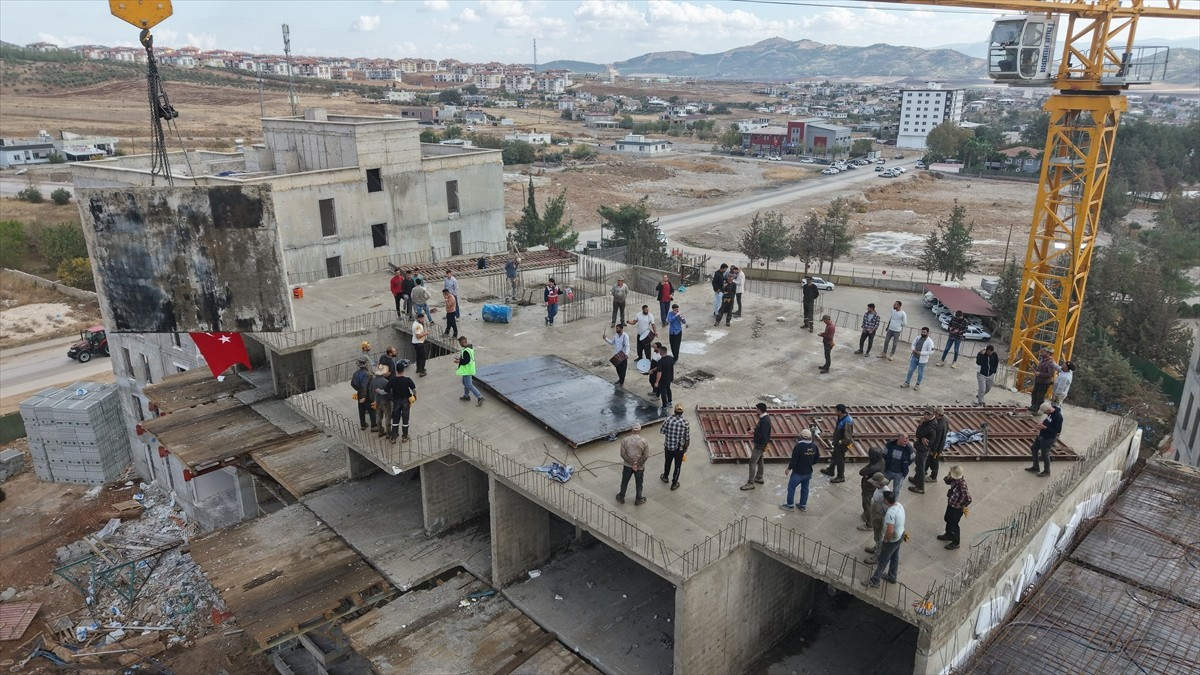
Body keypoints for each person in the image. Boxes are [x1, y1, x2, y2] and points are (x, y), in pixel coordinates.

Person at [862, 491, 905, 588]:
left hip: (892, 540)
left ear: (886, 500)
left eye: (883, 498)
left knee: (882, 560)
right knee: (894, 557)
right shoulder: (899, 505)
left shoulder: (890, 512)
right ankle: (892, 576)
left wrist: (885, 540)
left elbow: (889, 530)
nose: (882, 499)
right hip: (900, 535)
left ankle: (875, 581)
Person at [780, 429, 820, 511]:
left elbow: (794, 460)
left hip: (798, 473)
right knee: (805, 489)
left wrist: (789, 468)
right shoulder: (814, 446)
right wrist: (809, 464)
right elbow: (816, 459)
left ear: (801, 437)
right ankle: (803, 505)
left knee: (791, 488)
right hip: (808, 473)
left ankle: (790, 506)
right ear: (810, 437)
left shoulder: (798, 446)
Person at [938, 466, 971, 550]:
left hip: (957, 508)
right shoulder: (954, 480)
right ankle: (948, 534)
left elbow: (968, 498)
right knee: (947, 518)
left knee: (954, 524)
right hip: (951, 504)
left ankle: (956, 543)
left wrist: (961, 506)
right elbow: (947, 482)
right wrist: (948, 476)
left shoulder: (962, 485)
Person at [741, 402, 771, 490]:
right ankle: (759, 477)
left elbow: (763, 435)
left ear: (759, 410)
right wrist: (754, 430)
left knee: (752, 462)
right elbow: (761, 430)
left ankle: (750, 483)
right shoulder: (764, 418)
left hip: (760, 444)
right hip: (761, 444)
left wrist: (755, 433)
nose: (756, 410)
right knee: (760, 460)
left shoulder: (765, 420)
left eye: (756, 409)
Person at [616, 424, 649, 505]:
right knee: (639, 483)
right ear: (639, 431)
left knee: (624, 481)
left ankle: (621, 496)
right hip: (639, 467)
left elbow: (623, 454)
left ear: (631, 430)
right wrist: (637, 464)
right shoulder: (644, 441)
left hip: (627, 465)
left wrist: (631, 463)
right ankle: (638, 499)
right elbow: (645, 455)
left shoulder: (625, 440)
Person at [1026, 401, 1061, 477]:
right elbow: (1047, 421)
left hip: (1049, 438)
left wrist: (1044, 427)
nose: (1045, 414)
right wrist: (1042, 424)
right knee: (1034, 448)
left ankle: (1047, 471)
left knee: (1045, 454)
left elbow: (1057, 430)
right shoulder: (1050, 414)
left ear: (1048, 410)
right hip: (1042, 435)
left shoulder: (1058, 417)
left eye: (1045, 412)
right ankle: (1036, 467)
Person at [659, 402, 690, 490]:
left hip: (668, 447)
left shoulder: (668, 419)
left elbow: (662, 431)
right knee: (677, 466)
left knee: (667, 462)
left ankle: (665, 476)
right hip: (679, 449)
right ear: (682, 412)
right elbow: (687, 438)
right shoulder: (685, 422)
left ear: (674, 411)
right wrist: (685, 447)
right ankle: (674, 483)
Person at [386, 361, 416, 443]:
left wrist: (378, 391)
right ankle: (405, 436)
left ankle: (393, 437)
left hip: (396, 401)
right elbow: (414, 390)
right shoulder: (407, 380)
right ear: (403, 370)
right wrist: (414, 396)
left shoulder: (392, 380)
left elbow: (385, 391)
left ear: (396, 370)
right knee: (405, 420)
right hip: (406, 402)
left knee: (395, 419)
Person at [822, 403, 853, 483]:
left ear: (840, 411)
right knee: (835, 456)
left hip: (842, 445)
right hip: (837, 443)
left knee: (840, 460)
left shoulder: (847, 422)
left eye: (836, 410)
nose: (835, 412)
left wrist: (840, 442)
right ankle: (831, 470)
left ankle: (841, 476)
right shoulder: (841, 417)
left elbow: (848, 437)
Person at [909, 407, 937, 494]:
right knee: (919, 464)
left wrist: (920, 425)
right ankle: (916, 479)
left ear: (933, 415)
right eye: (925, 413)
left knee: (920, 468)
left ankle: (920, 487)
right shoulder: (930, 422)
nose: (925, 416)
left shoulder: (930, 426)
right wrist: (922, 437)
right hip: (922, 448)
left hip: (923, 449)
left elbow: (918, 434)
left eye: (928, 414)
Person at [863, 472, 889, 564]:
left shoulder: (885, 493)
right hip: (876, 515)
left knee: (880, 538)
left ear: (879, 483)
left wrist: (882, 521)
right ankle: (876, 548)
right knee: (877, 536)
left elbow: (887, 510)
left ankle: (877, 557)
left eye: (874, 482)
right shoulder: (879, 489)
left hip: (881, 518)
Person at [857, 447, 886, 531]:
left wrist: (867, 472)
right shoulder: (882, 461)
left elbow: (861, 472)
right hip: (874, 486)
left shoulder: (873, 467)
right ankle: (869, 516)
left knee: (866, 504)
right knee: (871, 502)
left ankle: (869, 524)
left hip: (869, 487)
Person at [454, 335, 484, 407]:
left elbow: (466, 361)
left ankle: (480, 397)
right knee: (464, 383)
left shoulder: (466, 351)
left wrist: (459, 361)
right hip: (467, 369)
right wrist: (461, 359)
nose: (460, 344)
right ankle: (466, 396)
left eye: (460, 343)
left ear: (462, 342)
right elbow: (467, 359)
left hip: (467, 370)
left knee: (468, 384)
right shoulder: (469, 348)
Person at [351, 357, 377, 431]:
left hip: (360, 393)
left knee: (361, 409)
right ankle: (374, 426)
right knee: (372, 409)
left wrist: (358, 390)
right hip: (367, 394)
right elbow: (364, 385)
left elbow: (352, 383)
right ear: (366, 364)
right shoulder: (366, 374)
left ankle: (363, 424)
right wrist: (364, 396)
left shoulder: (355, 373)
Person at [370, 363, 392, 439]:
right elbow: (389, 393)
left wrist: (374, 399)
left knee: (379, 417)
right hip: (385, 401)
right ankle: (389, 432)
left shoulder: (373, 380)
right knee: (387, 417)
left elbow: (371, 390)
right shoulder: (385, 381)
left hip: (377, 400)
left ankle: (380, 430)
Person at [927, 406, 949, 482]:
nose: (933, 414)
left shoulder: (939, 425)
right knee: (929, 458)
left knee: (934, 461)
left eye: (935, 413)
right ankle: (924, 470)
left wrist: (933, 450)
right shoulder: (944, 420)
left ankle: (933, 477)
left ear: (938, 414)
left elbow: (937, 439)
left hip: (936, 448)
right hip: (938, 446)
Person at [652, 343, 675, 412]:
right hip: (670, 378)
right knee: (668, 389)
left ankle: (664, 406)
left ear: (660, 353)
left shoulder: (660, 362)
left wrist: (656, 382)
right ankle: (670, 402)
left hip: (663, 380)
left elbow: (659, 373)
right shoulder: (671, 358)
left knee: (663, 392)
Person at [411, 312, 429, 377]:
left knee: (418, 356)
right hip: (418, 343)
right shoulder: (417, 326)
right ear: (419, 318)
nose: (423, 320)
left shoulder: (416, 323)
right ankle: (422, 371)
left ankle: (418, 368)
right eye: (422, 319)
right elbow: (418, 336)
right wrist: (425, 333)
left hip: (416, 342)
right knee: (423, 357)